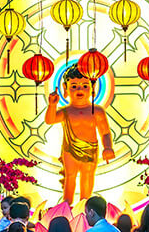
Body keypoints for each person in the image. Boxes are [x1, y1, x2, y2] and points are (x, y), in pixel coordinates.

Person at [45, 66, 116, 204]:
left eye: (84, 85)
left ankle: (85, 202)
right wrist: (52, 105)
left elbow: (105, 132)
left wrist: (107, 147)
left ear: (92, 88)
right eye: (74, 86)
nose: (79, 90)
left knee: (87, 175)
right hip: (70, 149)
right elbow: (50, 120)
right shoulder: (66, 111)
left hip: (91, 149)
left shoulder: (97, 111)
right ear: (65, 88)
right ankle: (67, 202)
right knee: (70, 176)